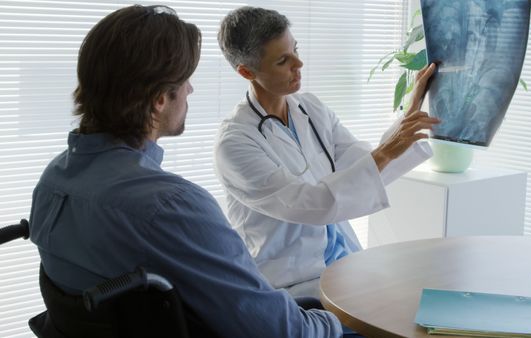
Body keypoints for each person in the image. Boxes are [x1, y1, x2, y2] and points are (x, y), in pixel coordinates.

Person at [28, 5, 344, 337]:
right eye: (186, 80)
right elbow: (281, 331)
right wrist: (341, 321)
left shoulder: (52, 183)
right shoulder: (172, 206)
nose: (191, 90)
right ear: (160, 99)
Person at [215, 6, 440, 297]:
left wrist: (411, 110)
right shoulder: (235, 143)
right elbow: (315, 204)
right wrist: (388, 149)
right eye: (284, 60)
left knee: (420, 298)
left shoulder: (310, 109)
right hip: (292, 284)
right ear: (247, 71)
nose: (300, 63)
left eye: (295, 49)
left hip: (344, 265)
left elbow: (364, 169)